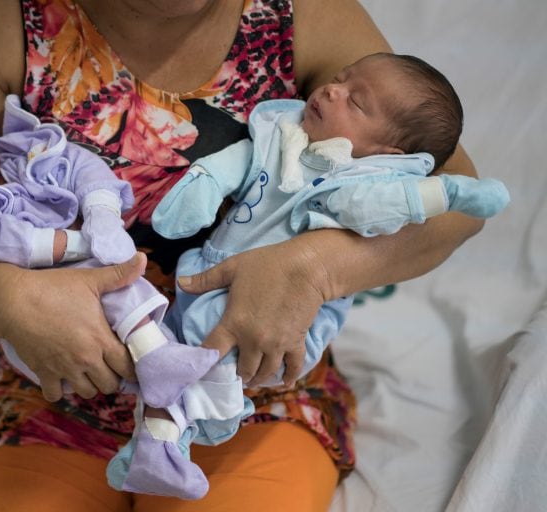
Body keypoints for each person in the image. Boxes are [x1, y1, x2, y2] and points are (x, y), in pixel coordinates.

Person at [0, 0, 489, 510]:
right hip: (52, 386)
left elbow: (459, 200)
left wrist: (317, 268)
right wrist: (11, 300)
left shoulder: (303, 15)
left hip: (248, 388)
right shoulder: (4, 21)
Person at [121, 52, 508, 497]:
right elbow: (240, 163)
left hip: (277, 326)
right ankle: (154, 430)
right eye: (340, 77)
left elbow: (373, 208)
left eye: (356, 102)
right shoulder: (279, 133)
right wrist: (206, 183)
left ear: (387, 152)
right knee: (159, 342)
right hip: (206, 274)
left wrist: (450, 193)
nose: (331, 89)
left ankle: (179, 433)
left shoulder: (366, 179)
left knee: (206, 363)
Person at [0, 94, 223, 498]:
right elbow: (16, 243)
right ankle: (159, 364)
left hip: (112, 285)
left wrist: (102, 212)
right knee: (120, 292)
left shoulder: (28, 154)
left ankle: (157, 449)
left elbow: (83, 166)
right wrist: (86, 242)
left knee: (150, 355)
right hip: (53, 320)